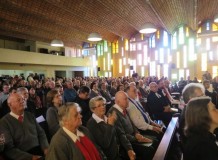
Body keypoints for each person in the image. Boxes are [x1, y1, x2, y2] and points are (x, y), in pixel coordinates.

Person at [0, 93, 49, 160]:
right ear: (10, 104)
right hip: (22, 155)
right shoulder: (4, 122)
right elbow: (9, 149)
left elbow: (41, 133)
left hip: (39, 150)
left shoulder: (29, 115)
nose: (23, 101)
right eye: (19, 100)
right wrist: (31, 157)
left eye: (23, 99)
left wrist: (46, 148)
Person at [108, 91, 154, 160]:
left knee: (154, 140)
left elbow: (131, 123)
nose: (128, 101)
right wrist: (137, 138)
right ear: (118, 102)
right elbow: (121, 135)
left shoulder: (123, 108)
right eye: (125, 99)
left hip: (133, 136)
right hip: (127, 143)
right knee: (150, 149)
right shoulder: (113, 113)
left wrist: (136, 133)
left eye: (127, 98)